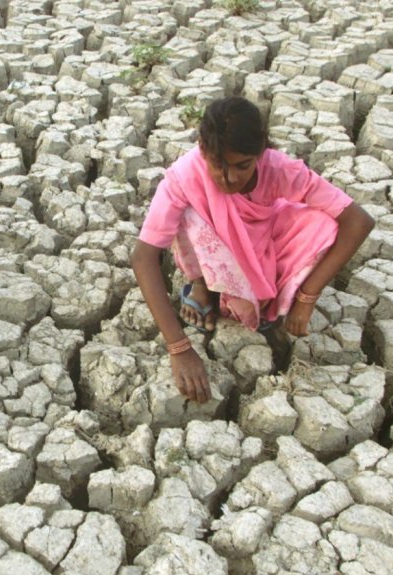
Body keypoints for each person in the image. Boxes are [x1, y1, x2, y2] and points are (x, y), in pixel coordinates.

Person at [131, 96, 374, 404]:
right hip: (211, 253)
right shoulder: (184, 177)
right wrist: (179, 348)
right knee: (190, 216)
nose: (229, 178)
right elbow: (143, 257)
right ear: (203, 149)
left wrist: (306, 296)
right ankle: (204, 285)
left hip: (259, 243)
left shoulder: (279, 169)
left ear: (260, 153)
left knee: (324, 223)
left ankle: (258, 291)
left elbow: (358, 221)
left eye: (242, 166)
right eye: (218, 166)